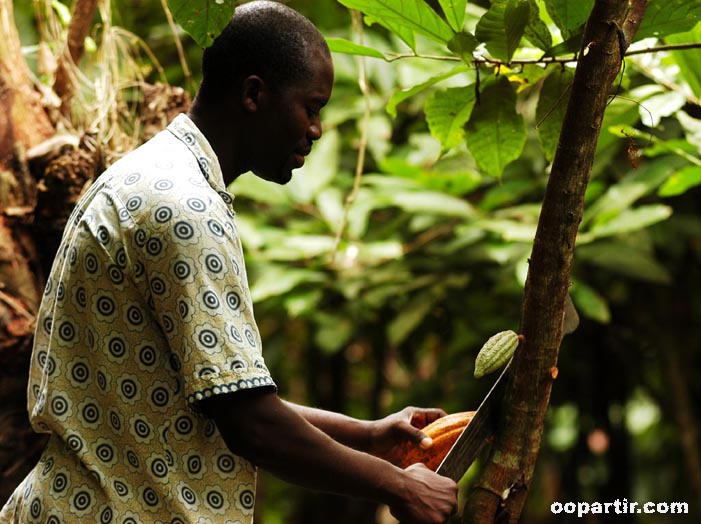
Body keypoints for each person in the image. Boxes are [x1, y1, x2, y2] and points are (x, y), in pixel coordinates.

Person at [0, 2, 458, 523]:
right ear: (254, 94)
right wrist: (400, 487)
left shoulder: (159, 177)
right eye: (311, 107)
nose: (317, 129)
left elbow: (216, 397)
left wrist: (369, 435)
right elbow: (251, 424)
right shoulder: (185, 209)